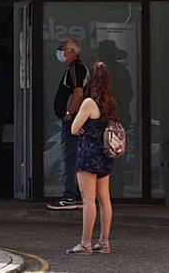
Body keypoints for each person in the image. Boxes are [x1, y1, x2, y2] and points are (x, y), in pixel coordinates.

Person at [66, 62, 119, 255]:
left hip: (88, 154)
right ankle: (104, 242)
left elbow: (73, 129)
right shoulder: (111, 103)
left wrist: (82, 127)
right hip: (105, 155)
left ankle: (85, 243)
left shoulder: (89, 103)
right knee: (104, 199)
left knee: (88, 200)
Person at [48, 38, 89, 210]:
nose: (60, 52)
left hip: (74, 120)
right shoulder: (73, 69)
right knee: (74, 156)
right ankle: (76, 194)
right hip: (75, 119)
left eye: (63, 49)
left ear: (72, 51)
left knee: (71, 156)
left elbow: (78, 93)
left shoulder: (76, 68)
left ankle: (71, 195)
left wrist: (69, 114)